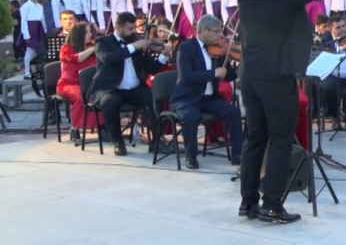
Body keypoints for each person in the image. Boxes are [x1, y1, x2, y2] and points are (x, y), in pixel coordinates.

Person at [238, 0, 337, 224]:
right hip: (277, 77)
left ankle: (248, 203)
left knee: (255, 138)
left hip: (250, 76)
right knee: (281, 140)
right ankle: (272, 205)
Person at [89, 12, 170, 156]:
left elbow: (149, 68)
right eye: (130, 29)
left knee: (154, 97)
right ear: (118, 27)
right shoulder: (103, 42)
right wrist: (133, 47)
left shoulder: (135, 42)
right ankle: (118, 141)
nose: (133, 32)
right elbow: (108, 58)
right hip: (111, 89)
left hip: (133, 89)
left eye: (134, 28)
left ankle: (157, 141)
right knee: (109, 102)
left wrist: (163, 55)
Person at [168, 15, 243, 170]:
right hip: (187, 98)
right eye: (216, 32)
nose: (220, 36)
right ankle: (191, 156)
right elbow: (187, 75)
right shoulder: (186, 47)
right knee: (191, 116)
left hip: (209, 98)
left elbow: (228, 76)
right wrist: (213, 74)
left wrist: (236, 64)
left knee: (233, 112)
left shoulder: (217, 49)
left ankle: (238, 154)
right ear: (203, 30)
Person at [57, 22, 100, 144]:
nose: (90, 34)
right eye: (87, 32)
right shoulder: (66, 48)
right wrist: (92, 49)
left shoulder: (90, 48)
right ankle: (74, 129)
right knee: (80, 96)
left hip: (88, 84)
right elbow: (76, 58)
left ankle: (102, 126)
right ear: (79, 34)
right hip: (67, 84)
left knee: (101, 95)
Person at [16, 0, 45, 79]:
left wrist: (44, 30)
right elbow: (23, 22)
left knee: (37, 51)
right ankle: (27, 72)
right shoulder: (25, 7)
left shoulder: (40, 6)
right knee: (30, 50)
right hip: (30, 28)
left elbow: (42, 19)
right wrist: (26, 35)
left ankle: (30, 68)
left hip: (38, 28)